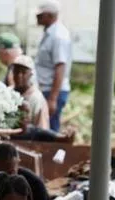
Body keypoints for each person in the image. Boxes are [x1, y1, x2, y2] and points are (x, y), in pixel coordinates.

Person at [34, 1, 72, 130]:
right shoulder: (50, 33)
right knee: (43, 127)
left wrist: (52, 99)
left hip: (52, 91)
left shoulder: (58, 36)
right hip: (46, 89)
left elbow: (60, 68)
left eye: (40, 15)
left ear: (50, 16)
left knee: (49, 130)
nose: (37, 18)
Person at [9, 54, 49, 131]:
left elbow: (42, 129)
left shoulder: (36, 98)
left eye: (23, 72)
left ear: (30, 74)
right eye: (16, 71)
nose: (19, 75)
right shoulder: (8, 93)